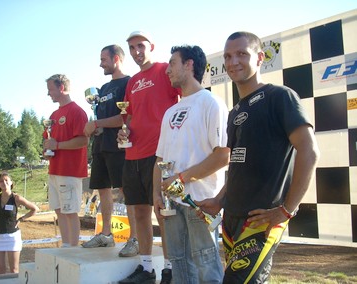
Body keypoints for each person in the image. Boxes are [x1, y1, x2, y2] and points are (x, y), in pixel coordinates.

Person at [196, 31, 320, 283]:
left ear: (260, 57)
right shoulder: (236, 111)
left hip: (261, 221)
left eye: (242, 53)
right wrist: (220, 200)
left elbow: (309, 151)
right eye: (228, 56)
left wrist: (286, 210)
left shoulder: (280, 97)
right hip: (232, 217)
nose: (233, 62)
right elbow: (239, 166)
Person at [152, 45, 229, 283]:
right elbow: (160, 159)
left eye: (172, 62)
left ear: (189, 64)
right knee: (178, 263)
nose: (167, 69)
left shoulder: (211, 104)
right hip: (171, 204)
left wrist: (182, 179)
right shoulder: (170, 112)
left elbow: (223, 156)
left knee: (206, 264)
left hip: (200, 201)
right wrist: (156, 194)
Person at [117, 31, 180, 284]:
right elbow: (129, 117)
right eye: (131, 48)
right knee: (140, 213)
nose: (136, 52)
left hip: (160, 155)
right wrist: (124, 134)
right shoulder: (132, 82)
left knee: (163, 214)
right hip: (133, 154)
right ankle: (146, 269)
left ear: (151, 46)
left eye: (140, 46)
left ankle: (169, 269)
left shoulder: (166, 70)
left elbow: (182, 104)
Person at [81, 44, 139, 257]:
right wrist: (96, 127)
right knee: (102, 189)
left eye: (103, 59)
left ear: (116, 59)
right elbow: (102, 119)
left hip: (119, 146)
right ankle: (106, 235)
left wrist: (96, 125)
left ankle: (135, 238)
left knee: (126, 190)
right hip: (101, 146)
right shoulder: (103, 89)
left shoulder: (129, 83)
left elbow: (126, 117)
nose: (100, 63)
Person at [43, 74, 89, 248]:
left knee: (70, 211)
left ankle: (74, 249)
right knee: (59, 210)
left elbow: (83, 140)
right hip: (54, 170)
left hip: (70, 171)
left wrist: (58, 145)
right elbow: (49, 141)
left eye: (50, 90)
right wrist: (46, 149)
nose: (48, 94)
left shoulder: (77, 111)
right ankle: (66, 245)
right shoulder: (54, 114)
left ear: (61, 88)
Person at [0, 172, 39, 274]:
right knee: (0, 270)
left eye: (6, 180)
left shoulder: (16, 198)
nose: (4, 182)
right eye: (1, 181)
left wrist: (21, 219)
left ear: (11, 183)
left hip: (12, 237)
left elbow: (34, 209)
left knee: (14, 270)